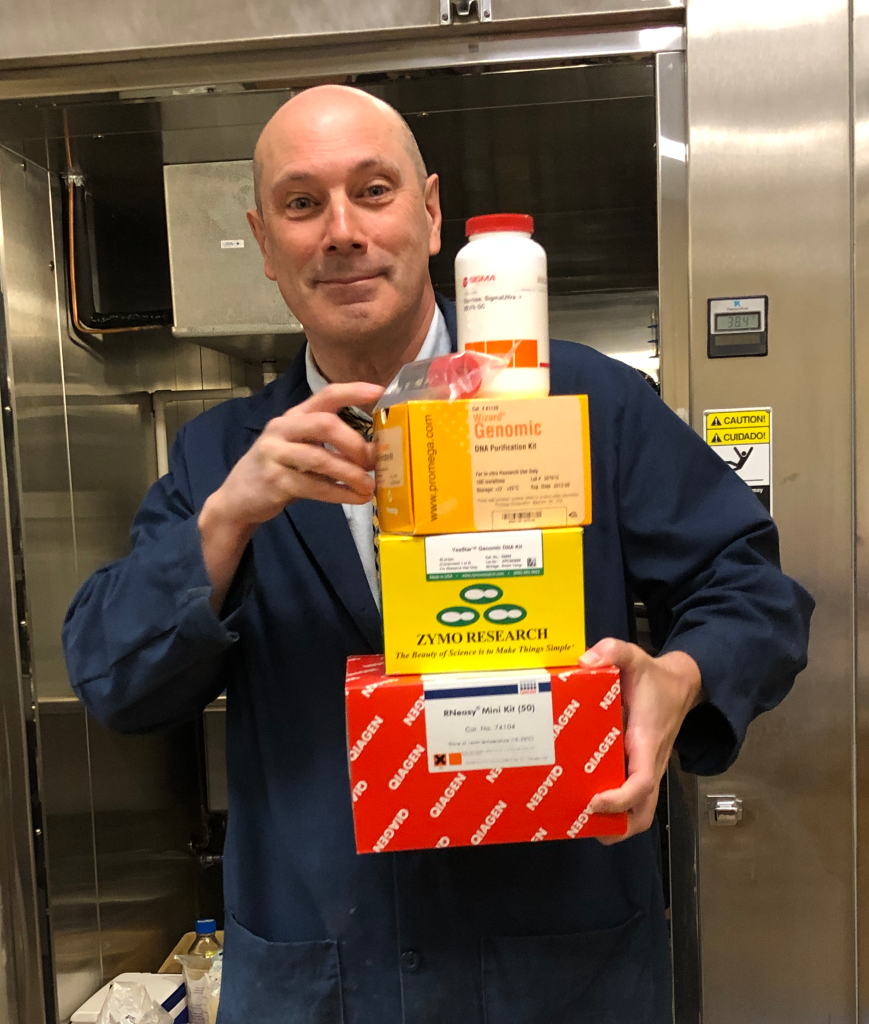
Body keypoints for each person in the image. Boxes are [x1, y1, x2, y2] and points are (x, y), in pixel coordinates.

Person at [62, 85, 813, 1024]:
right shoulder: (224, 457)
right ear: (263, 241)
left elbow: (754, 591)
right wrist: (224, 526)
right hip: (323, 976)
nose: (340, 231)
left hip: (558, 971)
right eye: (301, 204)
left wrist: (680, 674)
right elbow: (113, 680)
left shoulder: (585, 405)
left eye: (371, 191)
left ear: (427, 213)